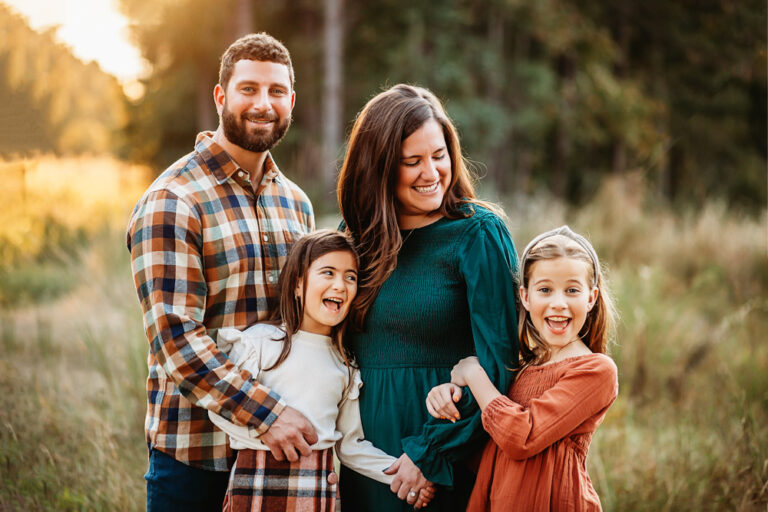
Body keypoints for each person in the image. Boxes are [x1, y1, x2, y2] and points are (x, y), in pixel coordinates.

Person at [126, 33, 318, 511]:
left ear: (291, 101)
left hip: (280, 454)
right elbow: (177, 341)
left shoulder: (296, 204)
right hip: (196, 457)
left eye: (276, 92)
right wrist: (267, 414)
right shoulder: (173, 200)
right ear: (221, 96)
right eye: (248, 89)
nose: (263, 104)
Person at [335, 83, 520, 511]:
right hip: (364, 462)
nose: (432, 172)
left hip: (442, 462)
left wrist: (429, 453)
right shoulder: (357, 242)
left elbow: (501, 362)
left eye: (439, 156)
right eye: (412, 161)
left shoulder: (477, 232)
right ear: (378, 168)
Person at [208, 230, 435, 511]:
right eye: (328, 273)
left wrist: (401, 475)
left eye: (350, 277)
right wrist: (265, 429)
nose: (340, 285)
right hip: (256, 491)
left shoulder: (344, 364)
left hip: (317, 498)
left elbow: (351, 447)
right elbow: (221, 410)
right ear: (298, 284)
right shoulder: (261, 343)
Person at [426, 225, 619, 511]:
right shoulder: (522, 367)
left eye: (572, 290)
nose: (558, 303)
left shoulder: (595, 370)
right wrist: (455, 395)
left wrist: (473, 374)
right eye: (545, 289)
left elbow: (521, 437)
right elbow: (491, 443)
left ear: (590, 298)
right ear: (525, 297)